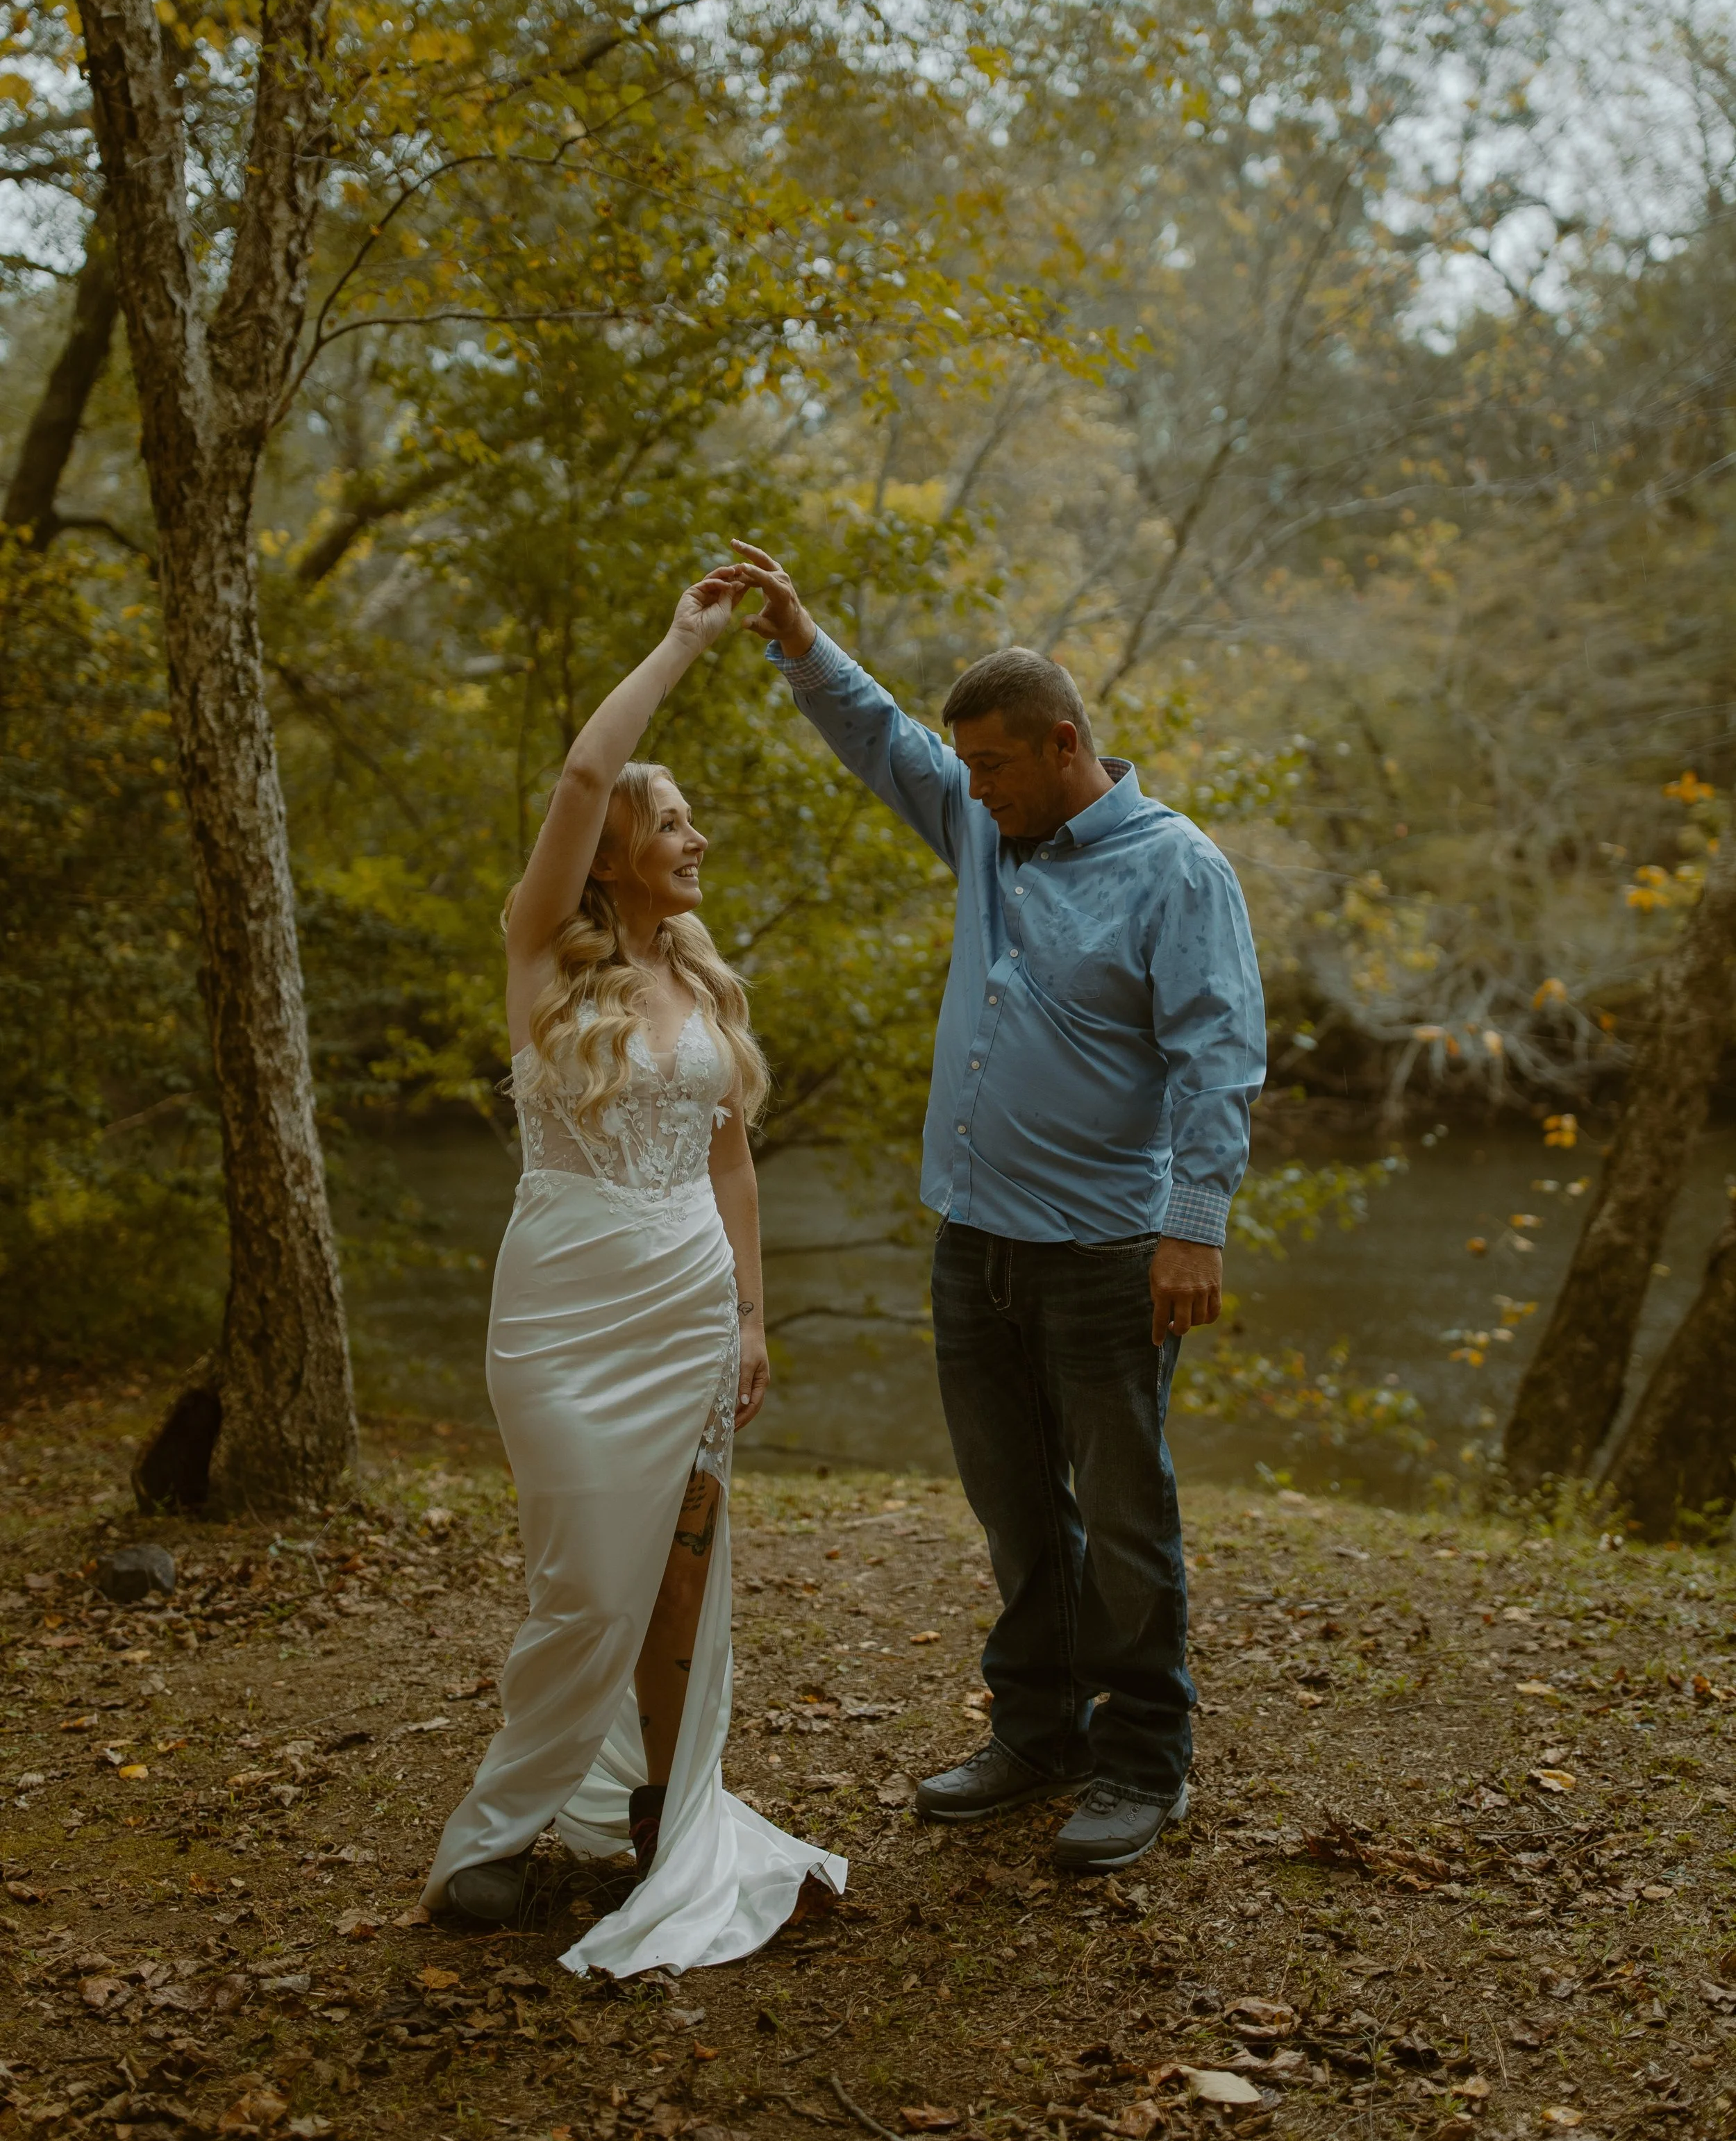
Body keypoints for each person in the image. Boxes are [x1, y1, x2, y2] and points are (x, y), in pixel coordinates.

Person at [731, 540, 1265, 1874]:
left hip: (1107, 1252)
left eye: (994, 765)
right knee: (1017, 1509)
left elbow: (1219, 1055)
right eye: (967, 767)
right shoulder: (984, 824)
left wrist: (1194, 1223)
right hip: (975, 1245)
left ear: (1065, 744)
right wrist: (799, 638)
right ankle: (1038, 1733)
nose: (970, 786)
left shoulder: (1178, 869)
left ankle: (1144, 1757)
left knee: (1123, 1515)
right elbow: (886, 742)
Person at [422, 570, 844, 1972]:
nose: (695, 838)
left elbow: (732, 1170)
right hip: (562, 1305)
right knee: (587, 1584)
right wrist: (680, 643)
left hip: (690, 1308)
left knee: (679, 1576)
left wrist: (752, 1321)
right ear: (609, 853)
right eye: (670, 824)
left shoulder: (706, 987)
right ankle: (496, 1830)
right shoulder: (542, 957)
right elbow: (584, 770)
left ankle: (662, 1813)